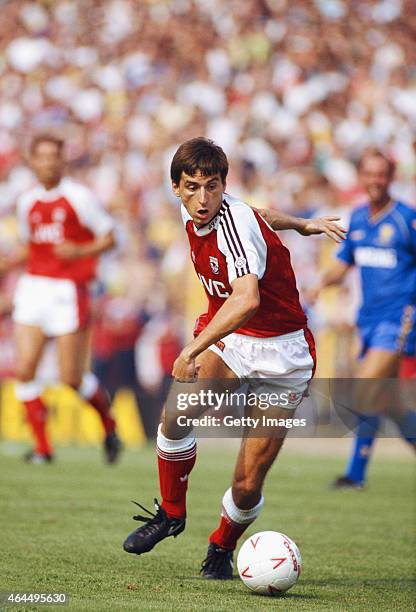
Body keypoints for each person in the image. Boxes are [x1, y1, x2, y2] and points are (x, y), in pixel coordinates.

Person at [122, 137, 346, 578]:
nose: (202, 198)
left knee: (246, 484)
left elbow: (245, 298)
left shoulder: (232, 222)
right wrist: (300, 223)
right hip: (236, 340)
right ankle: (171, 513)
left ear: (224, 185)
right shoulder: (210, 212)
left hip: (284, 354)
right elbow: (260, 213)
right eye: (192, 186)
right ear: (176, 188)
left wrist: (191, 348)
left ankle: (221, 548)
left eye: (212, 186)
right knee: (176, 417)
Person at [0, 134, 122, 464]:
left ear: (62, 160)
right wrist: (9, 260)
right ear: (32, 160)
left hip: (68, 290)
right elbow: (33, 246)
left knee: (70, 377)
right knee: (24, 370)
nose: (48, 162)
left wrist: (81, 250)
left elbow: (110, 237)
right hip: (34, 287)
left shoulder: (78, 197)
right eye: (41, 156)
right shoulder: (27, 202)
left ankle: (109, 426)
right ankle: (42, 448)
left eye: (54, 156)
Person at [310, 149, 416, 489]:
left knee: (364, 388)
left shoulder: (405, 219)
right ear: (361, 176)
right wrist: (318, 285)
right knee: (390, 404)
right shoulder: (356, 218)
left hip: (399, 319)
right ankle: (355, 476)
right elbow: (345, 262)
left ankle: (355, 473)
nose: (375, 181)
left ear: (391, 177)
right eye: (369, 174)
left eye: (381, 174)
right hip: (367, 321)